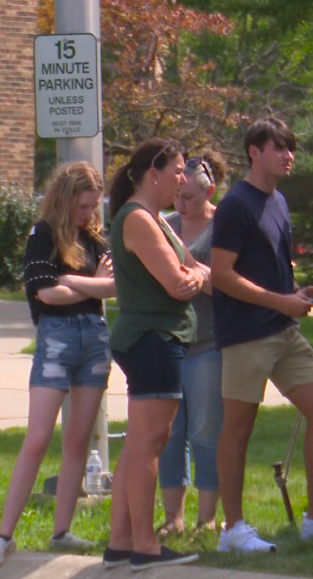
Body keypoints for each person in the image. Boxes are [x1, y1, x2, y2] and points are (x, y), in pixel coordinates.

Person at [211, 117, 313, 554]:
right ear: (254, 152)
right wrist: (281, 301)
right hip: (245, 334)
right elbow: (222, 275)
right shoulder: (235, 205)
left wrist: (296, 293)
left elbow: (268, 267)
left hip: (282, 329)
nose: (288, 155)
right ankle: (233, 530)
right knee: (238, 429)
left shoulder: (278, 200)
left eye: (291, 147)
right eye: (279, 147)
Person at [0, 161, 115, 570]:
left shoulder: (95, 239)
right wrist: (84, 283)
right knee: (37, 438)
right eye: (83, 206)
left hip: (95, 338)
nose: (89, 214)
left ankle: (62, 531)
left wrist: (71, 282)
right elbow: (46, 295)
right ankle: (4, 535)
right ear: (66, 197)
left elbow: (113, 286)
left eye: (94, 207)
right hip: (56, 338)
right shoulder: (42, 235)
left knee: (79, 439)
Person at [102, 139, 206, 571]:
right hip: (153, 340)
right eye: (178, 170)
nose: (184, 179)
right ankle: (144, 546)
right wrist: (195, 275)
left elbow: (192, 270)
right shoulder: (138, 219)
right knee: (149, 445)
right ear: (153, 173)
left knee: (138, 445)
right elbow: (178, 283)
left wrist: (195, 272)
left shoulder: (156, 220)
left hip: (157, 339)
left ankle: (120, 542)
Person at [157, 150, 227, 537]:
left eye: (191, 199)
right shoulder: (164, 226)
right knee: (168, 434)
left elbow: (233, 286)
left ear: (210, 191)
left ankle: (207, 518)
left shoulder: (223, 228)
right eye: (178, 196)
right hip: (171, 344)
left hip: (209, 344)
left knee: (205, 430)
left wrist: (201, 275)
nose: (181, 205)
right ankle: (173, 519)